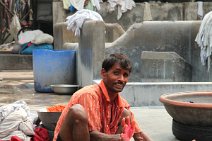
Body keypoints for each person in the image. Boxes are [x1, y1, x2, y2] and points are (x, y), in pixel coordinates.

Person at [53, 53, 152, 141]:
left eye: (125, 75)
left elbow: (138, 135)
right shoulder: (89, 95)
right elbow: (91, 136)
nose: (121, 79)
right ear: (103, 73)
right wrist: (118, 138)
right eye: (116, 73)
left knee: (126, 115)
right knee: (77, 111)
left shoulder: (122, 103)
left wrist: (133, 136)